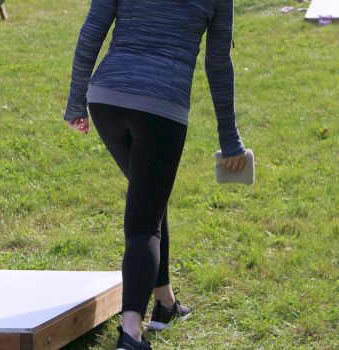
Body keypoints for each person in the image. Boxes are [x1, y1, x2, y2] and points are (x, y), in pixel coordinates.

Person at [64, 1, 246, 349]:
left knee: (149, 197)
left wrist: (76, 101)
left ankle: (164, 301)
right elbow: (218, 62)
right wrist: (229, 138)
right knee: (144, 222)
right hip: (161, 109)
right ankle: (131, 331)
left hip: (106, 101)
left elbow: (92, 31)